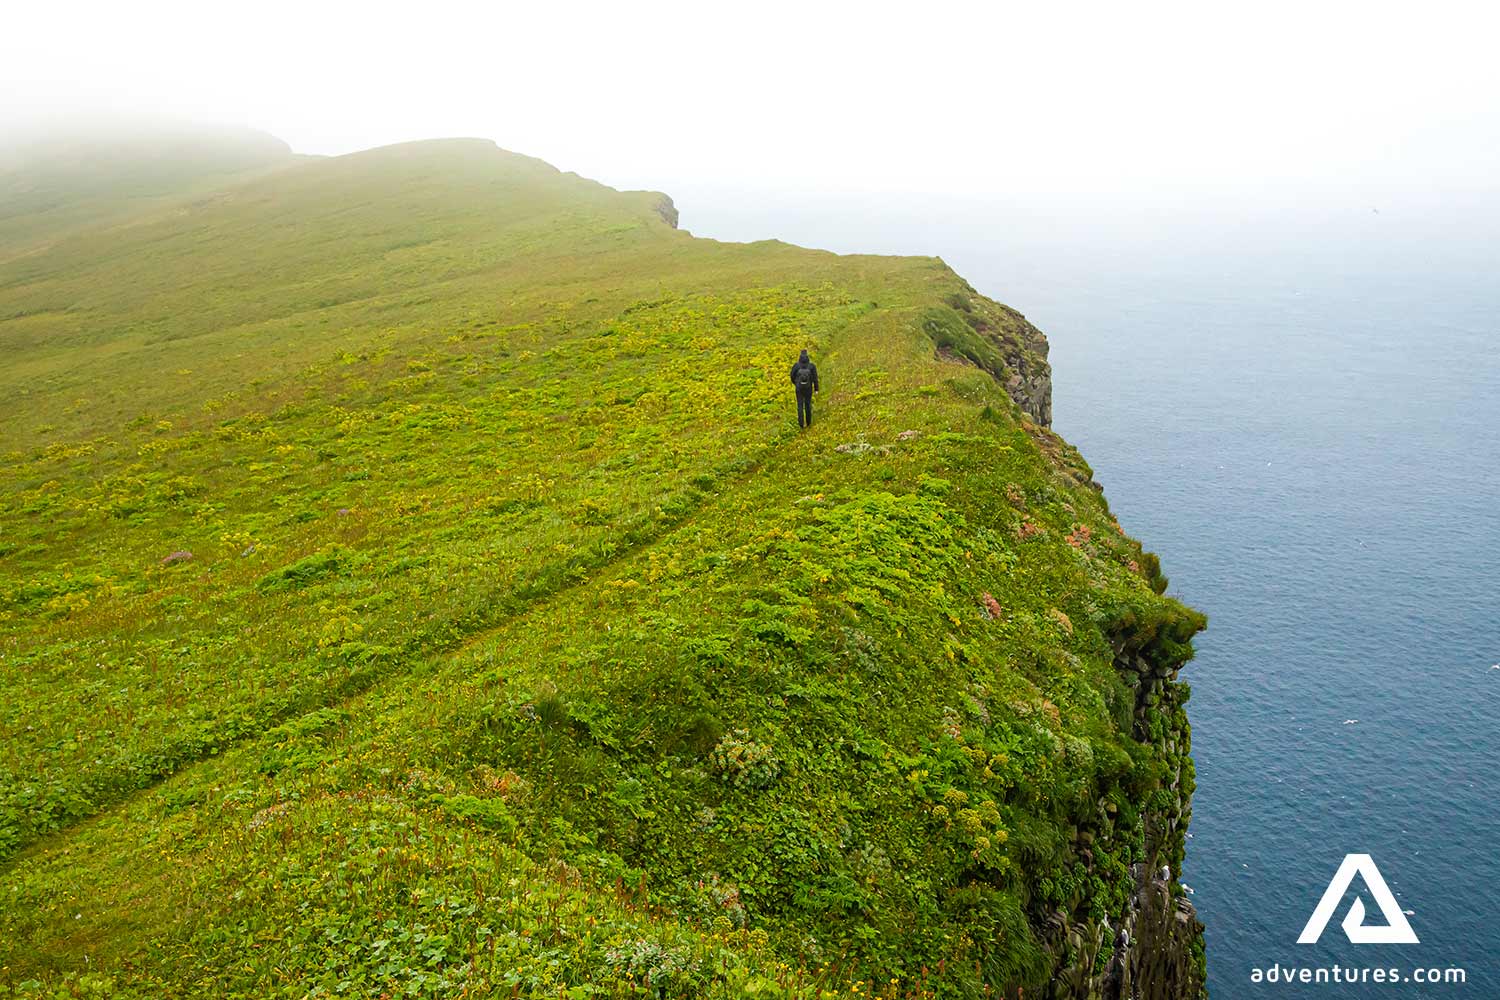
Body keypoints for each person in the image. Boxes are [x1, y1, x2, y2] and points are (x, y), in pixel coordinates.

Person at [789, 349, 820, 428]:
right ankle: (809, 422)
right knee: (808, 404)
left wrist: (796, 383)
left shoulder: (796, 366)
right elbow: (815, 378)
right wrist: (816, 389)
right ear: (807, 357)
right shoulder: (811, 366)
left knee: (800, 405)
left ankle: (801, 424)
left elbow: (792, 376)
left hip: (799, 388)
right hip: (808, 388)